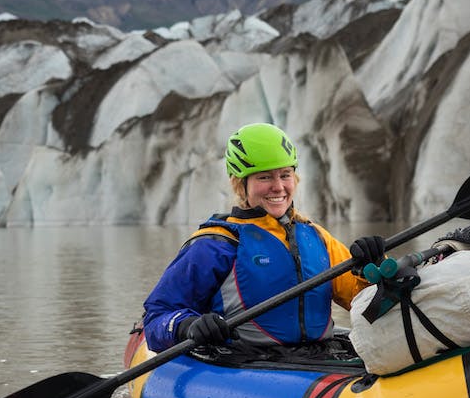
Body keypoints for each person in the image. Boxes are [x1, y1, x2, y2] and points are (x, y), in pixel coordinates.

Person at [142, 122, 387, 350]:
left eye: (285, 175)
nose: (278, 187)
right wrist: (187, 325)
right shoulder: (215, 246)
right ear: (241, 184)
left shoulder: (317, 237)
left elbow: (367, 307)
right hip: (244, 363)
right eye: (264, 177)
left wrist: (371, 268)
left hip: (317, 359)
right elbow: (158, 316)